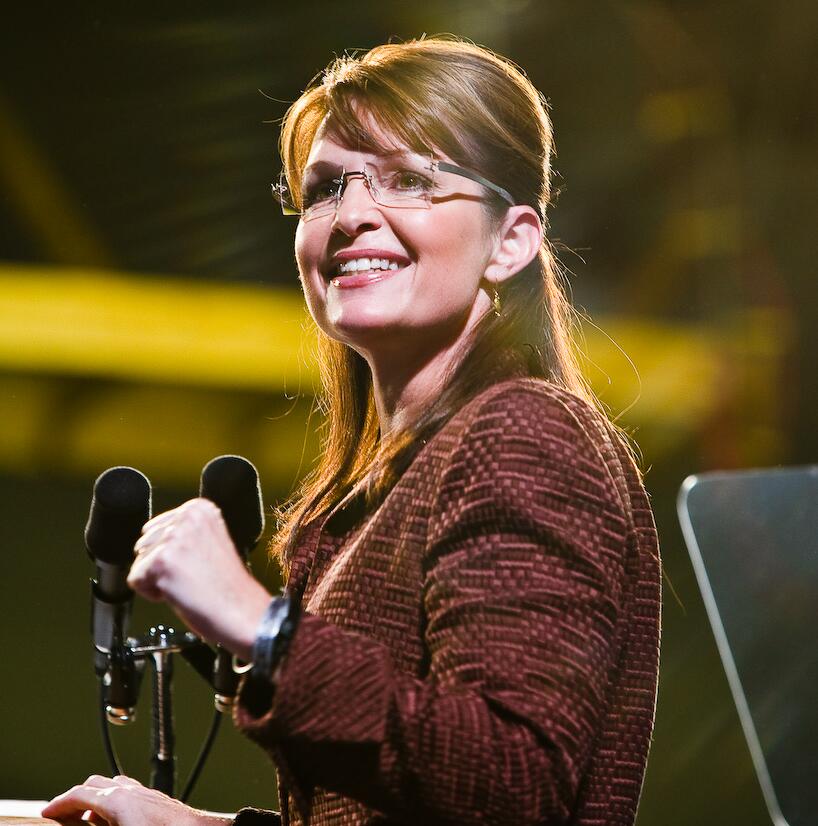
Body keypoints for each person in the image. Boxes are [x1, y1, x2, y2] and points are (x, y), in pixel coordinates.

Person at [43, 36, 661, 826]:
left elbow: (514, 785)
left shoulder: (522, 435)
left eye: (409, 180)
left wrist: (263, 627)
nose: (353, 215)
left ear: (511, 241)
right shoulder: (399, 475)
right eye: (326, 188)